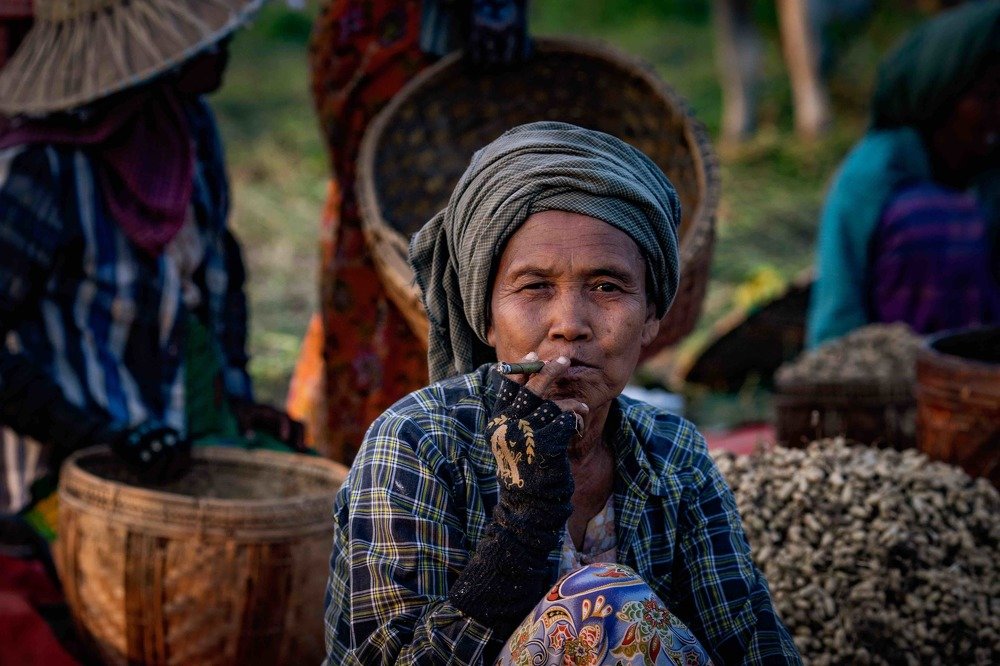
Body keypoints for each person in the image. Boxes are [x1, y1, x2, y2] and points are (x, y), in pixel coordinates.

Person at [323, 122, 802, 664]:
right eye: (534, 287)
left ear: (650, 318)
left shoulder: (675, 453)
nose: (569, 325)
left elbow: (751, 644)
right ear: (485, 317)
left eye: (607, 287)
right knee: (599, 608)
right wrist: (523, 521)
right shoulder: (417, 444)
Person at [0, 0, 305, 529]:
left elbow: (216, 274)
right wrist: (97, 436)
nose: (227, 41)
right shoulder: (39, 169)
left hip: (176, 440)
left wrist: (236, 396)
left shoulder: (187, 132)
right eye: (206, 35)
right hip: (69, 471)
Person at [289, 0, 530, 463]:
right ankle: (378, 446)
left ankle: (460, 441)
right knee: (378, 223)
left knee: (451, 241)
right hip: (391, 40)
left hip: (425, 41)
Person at [806, 1, 1000, 347]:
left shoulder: (982, 168)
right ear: (943, 94)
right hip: (889, 365)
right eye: (987, 97)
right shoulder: (874, 175)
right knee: (934, 222)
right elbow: (835, 317)